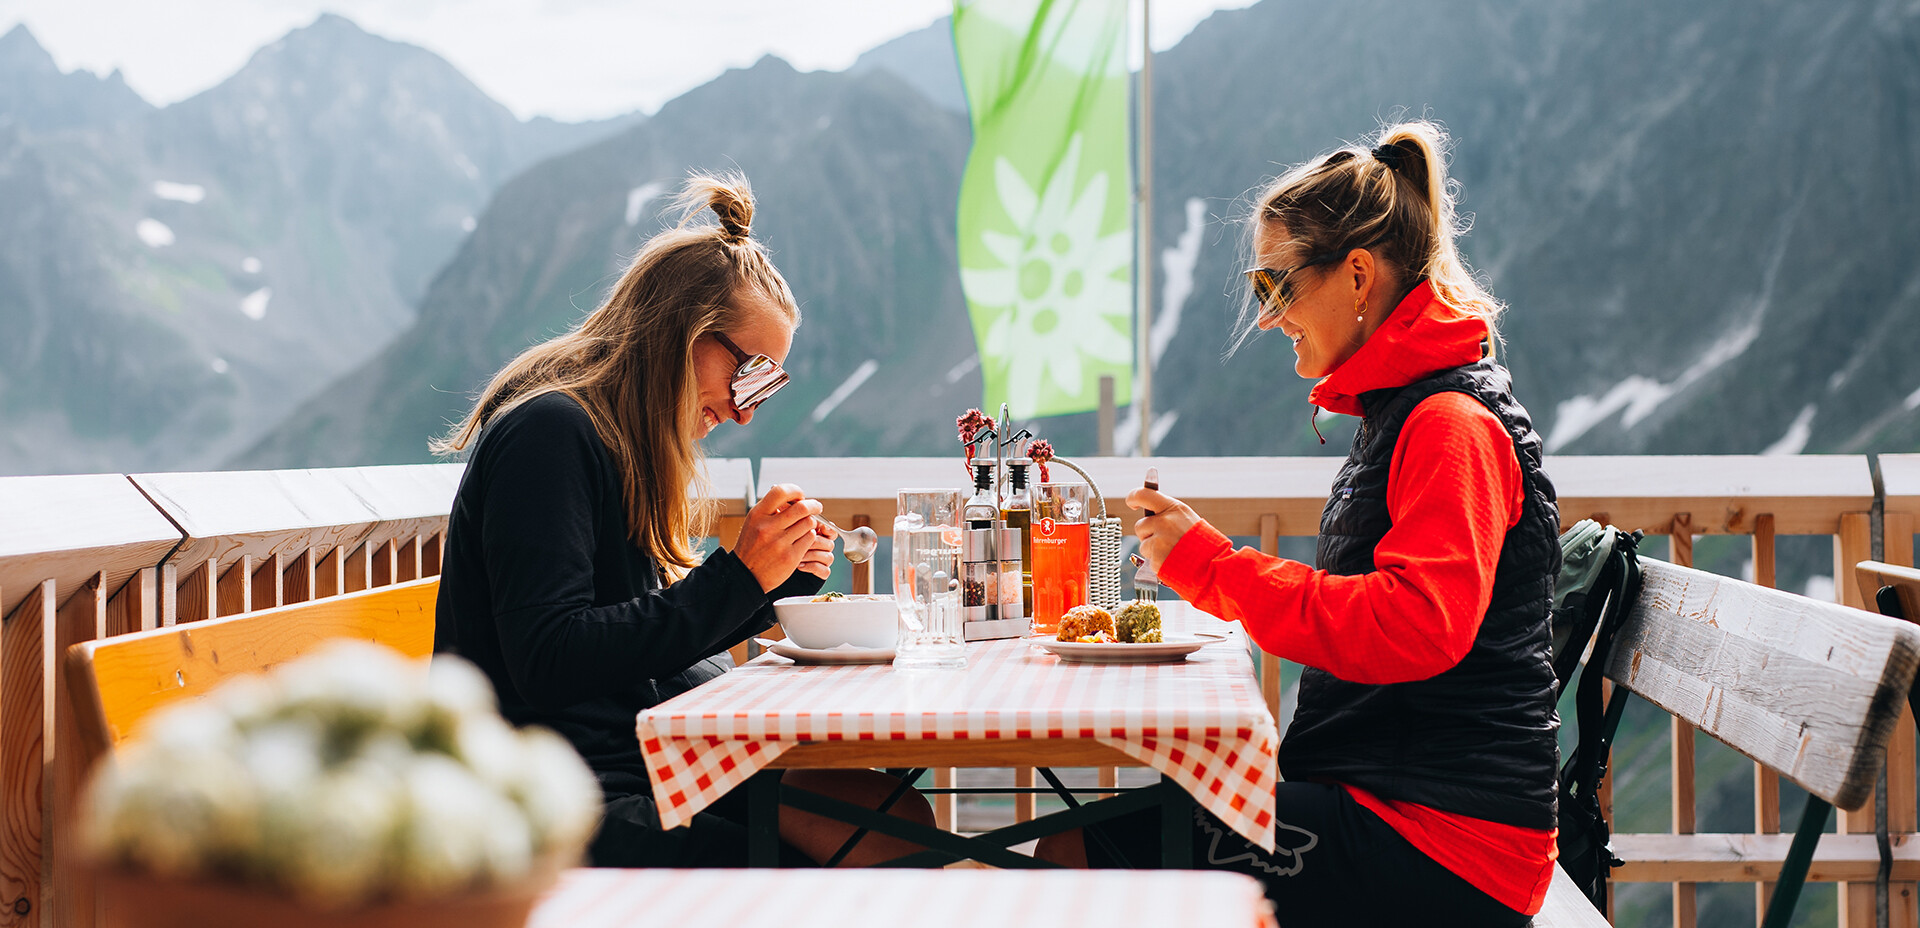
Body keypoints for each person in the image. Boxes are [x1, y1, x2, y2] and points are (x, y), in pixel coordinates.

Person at [1037, 122, 1559, 926]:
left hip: (1444, 841)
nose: (1271, 315)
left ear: (1357, 275)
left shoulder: (1450, 421)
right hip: (1409, 810)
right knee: (1095, 847)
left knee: (1076, 857)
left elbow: (1419, 625)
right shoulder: (1410, 413)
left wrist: (1216, 570)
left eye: (1277, 285)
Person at [432, 172, 933, 868]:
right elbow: (550, 658)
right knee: (851, 852)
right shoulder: (549, 435)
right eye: (750, 373)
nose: (745, 409)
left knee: (896, 817)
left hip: (657, 755)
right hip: (566, 792)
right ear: (683, 332)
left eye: (767, 386)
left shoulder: (615, 445)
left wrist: (770, 585)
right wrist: (737, 577)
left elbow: (639, 636)